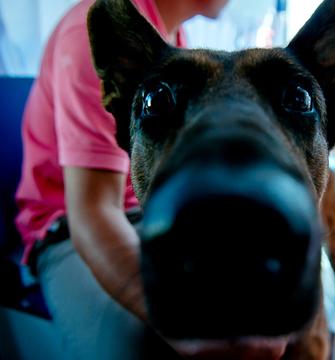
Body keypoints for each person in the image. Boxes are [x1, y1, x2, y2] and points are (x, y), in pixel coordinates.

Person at [15, 0, 229, 358]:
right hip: (69, 225)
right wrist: (181, 321)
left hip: (149, 214)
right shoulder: (92, 36)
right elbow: (92, 213)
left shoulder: (176, 41)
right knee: (140, 345)